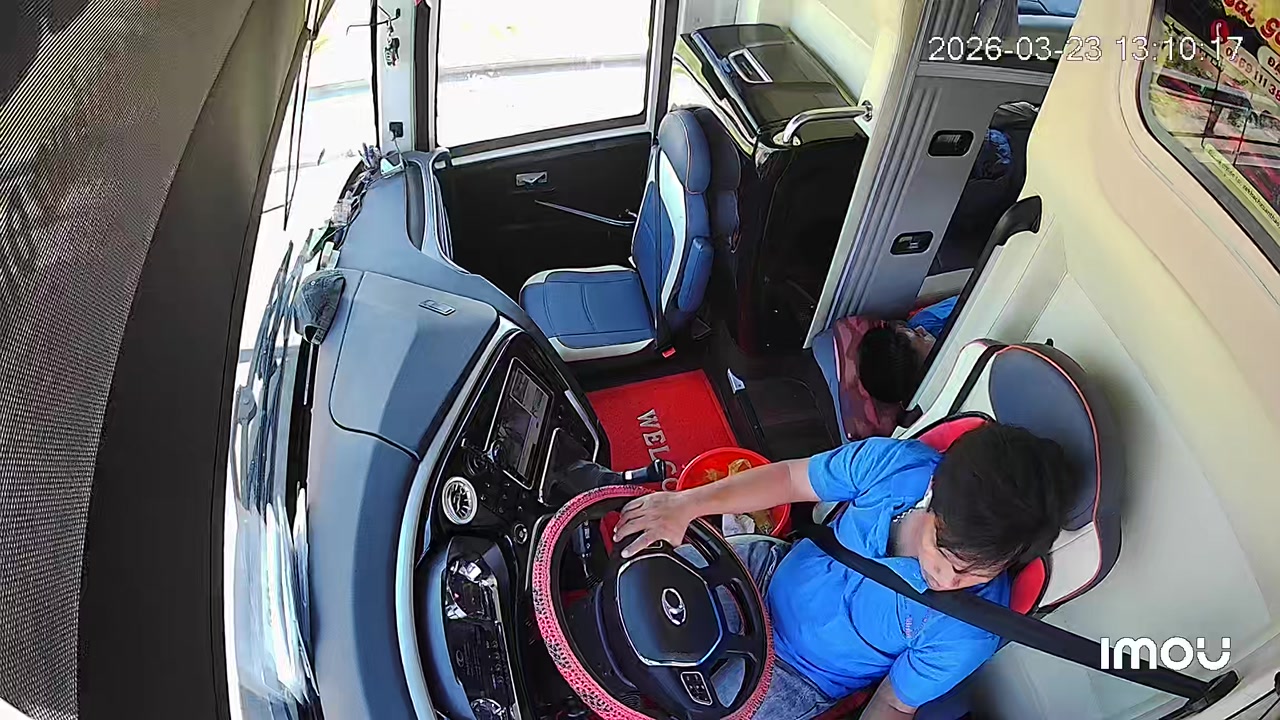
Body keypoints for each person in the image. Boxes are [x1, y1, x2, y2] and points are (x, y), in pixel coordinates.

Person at [612, 423, 1076, 719]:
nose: (950, 582)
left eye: (978, 572)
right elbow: (792, 478)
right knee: (631, 600)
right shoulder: (897, 466)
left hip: (796, 674)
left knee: (691, 707)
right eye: (945, 555)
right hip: (763, 574)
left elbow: (893, 702)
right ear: (932, 493)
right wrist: (686, 503)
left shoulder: (970, 630)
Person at [858, 295, 958, 407]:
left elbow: (970, 300)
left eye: (913, 330)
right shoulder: (946, 393)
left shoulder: (924, 321)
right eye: (919, 336)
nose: (921, 329)